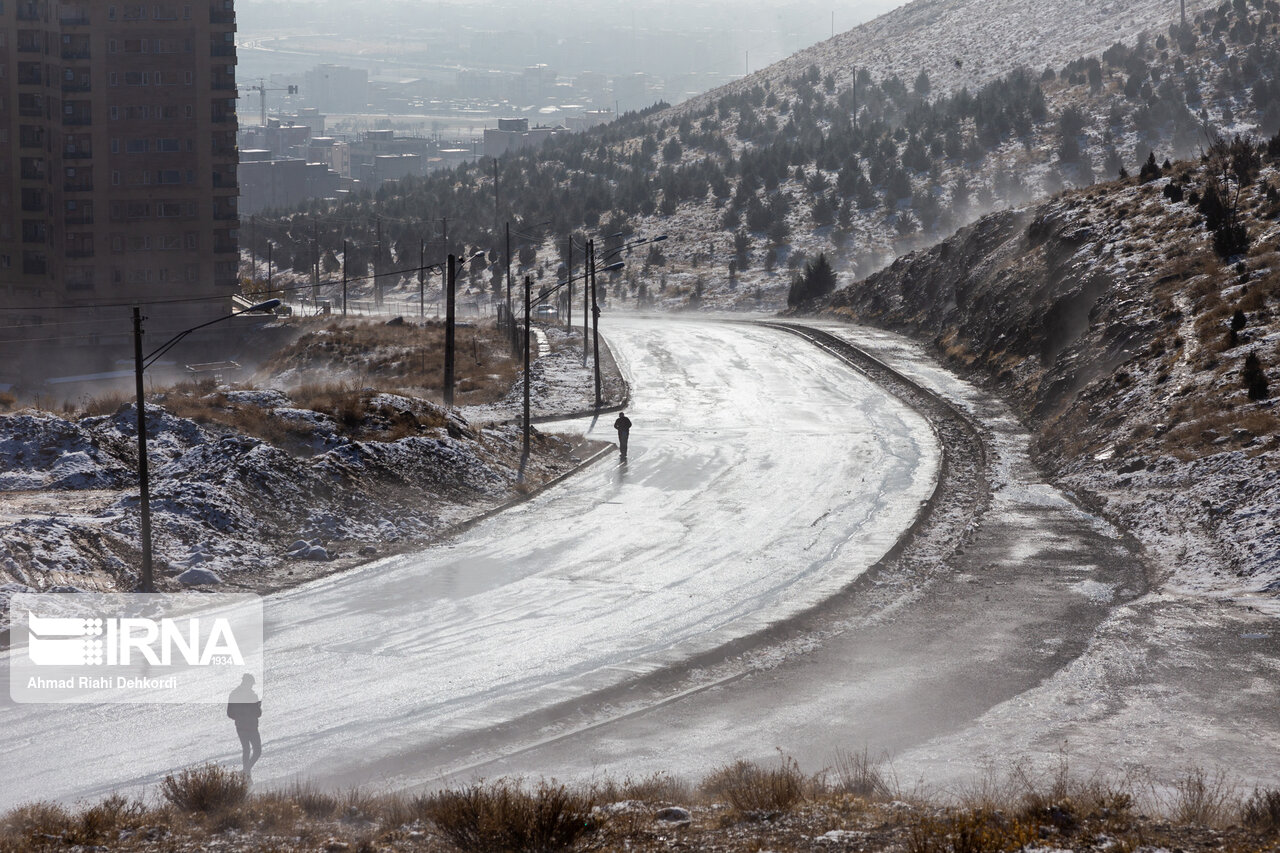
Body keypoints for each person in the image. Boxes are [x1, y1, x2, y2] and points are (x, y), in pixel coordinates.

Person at [226, 673, 262, 777]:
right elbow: (230, 713)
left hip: (248, 727)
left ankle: (245, 772)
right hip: (245, 727)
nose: (251, 686)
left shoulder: (240, 694)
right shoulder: (239, 695)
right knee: (249, 750)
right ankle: (247, 775)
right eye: (251, 684)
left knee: (254, 751)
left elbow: (258, 713)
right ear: (246, 683)